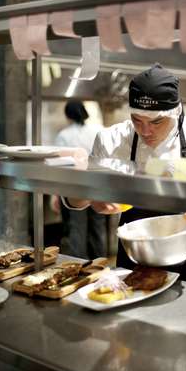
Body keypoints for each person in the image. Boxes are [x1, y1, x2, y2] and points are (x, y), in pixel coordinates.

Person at [64, 63, 186, 287]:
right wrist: (90, 195)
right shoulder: (112, 140)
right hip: (137, 253)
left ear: (176, 111)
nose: (146, 131)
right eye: (137, 120)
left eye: (156, 122)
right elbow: (74, 199)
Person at [54, 100, 106, 260]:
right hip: (97, 185)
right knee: (97, 228)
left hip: (73, 188)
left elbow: (58, 166)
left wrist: (56, 195)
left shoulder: (64, 135)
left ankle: (78, 266)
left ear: (68, 115)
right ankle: (99, 264)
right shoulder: (98, 131)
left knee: (75, 228)